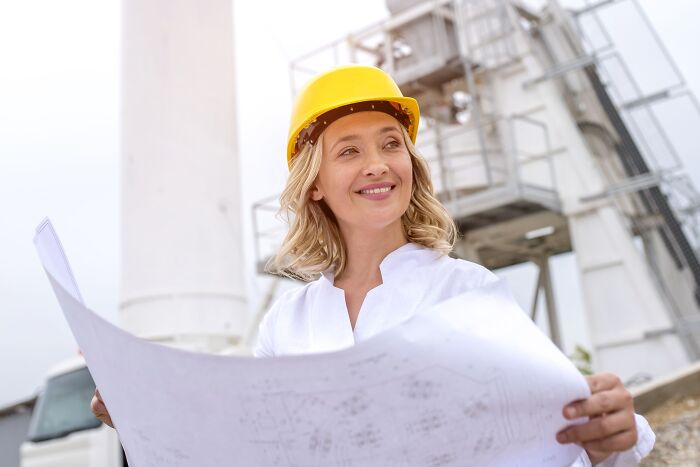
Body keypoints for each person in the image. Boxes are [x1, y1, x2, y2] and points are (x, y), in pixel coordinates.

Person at [92, 64, 654, 465]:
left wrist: (618, 436)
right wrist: (145, 413)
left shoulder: (466, 294)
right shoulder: (285, 325)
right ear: (313, 183)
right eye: (349, 151)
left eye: (391, 143)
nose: (379, 165)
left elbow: (560, 428)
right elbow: (245, 450)